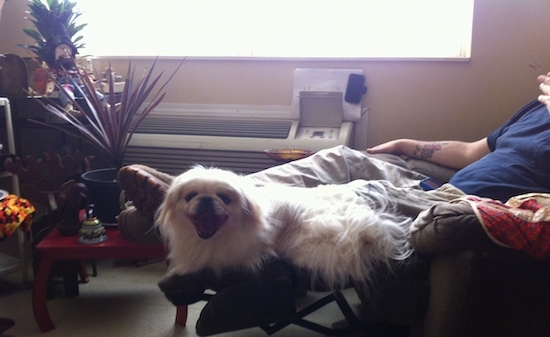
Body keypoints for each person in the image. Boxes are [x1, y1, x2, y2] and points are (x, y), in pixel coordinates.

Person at [117, 73, 550, 242]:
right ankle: (195, 193)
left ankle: (202, 215)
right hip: (430, 180)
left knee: (356, 194)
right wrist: (403, 145)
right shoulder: (535, 111)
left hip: (462, 204)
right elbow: (474, 151)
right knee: (338, 157)